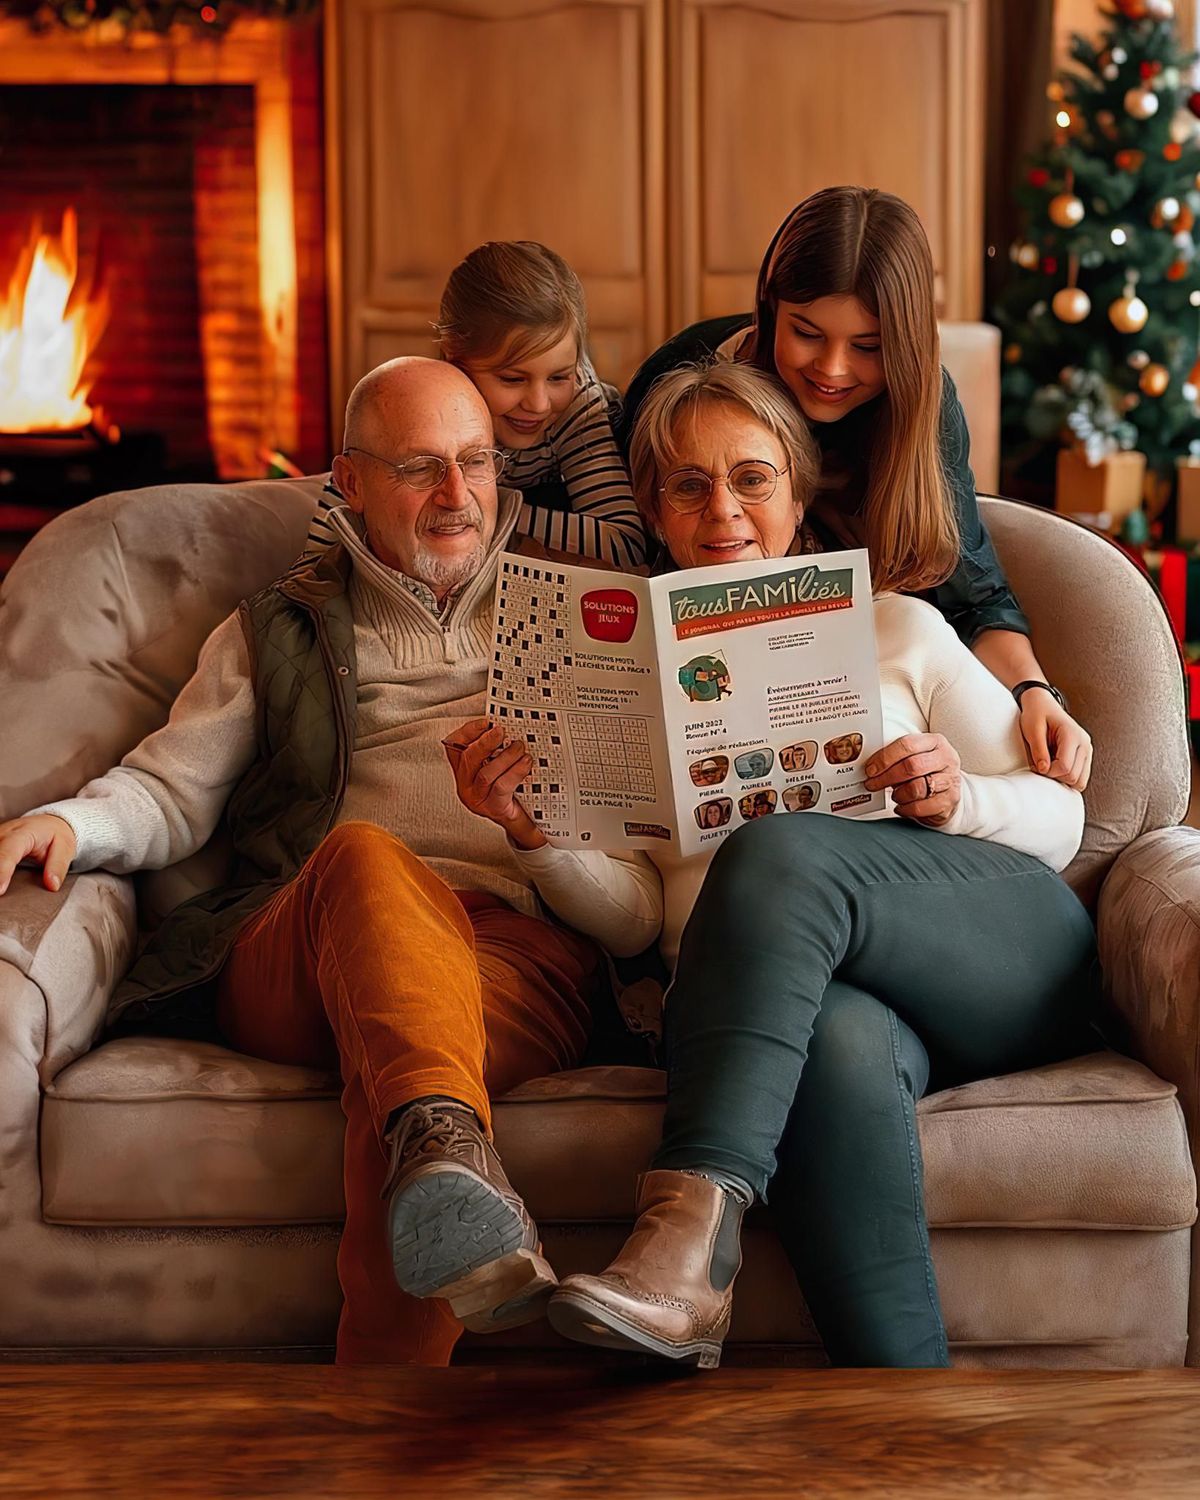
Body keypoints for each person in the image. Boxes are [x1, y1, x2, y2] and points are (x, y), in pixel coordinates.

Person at [0, 357, 658, 1367]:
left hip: (514, 965)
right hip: (308, 940)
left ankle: (436, 1165)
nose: (458, 496)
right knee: (364, 859)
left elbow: (635, 921)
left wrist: (539, 837)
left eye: (477, 463)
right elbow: (171, 788)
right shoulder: (279, 627)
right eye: (421, 467)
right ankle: (442, 1145)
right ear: (347, 481)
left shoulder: (585, 624)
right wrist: (73, 827)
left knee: (403, 1071)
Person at [447, 361, 1096, 1369]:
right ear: (655, 508)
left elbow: (1063, 820)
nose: (724, 510)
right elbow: (634, 922)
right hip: (814, 1004)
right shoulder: (623, 675)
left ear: (796, 494)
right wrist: (536, 832)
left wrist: (956, 795)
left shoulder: (900, 626)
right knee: (832, 1041)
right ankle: (902, 1415)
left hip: (994, 954)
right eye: (688, 484)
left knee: (777, 849)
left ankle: (684, 1246)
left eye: (751, 477)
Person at [616, 187, 1093, 790]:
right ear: (769, 307)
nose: (832, 369)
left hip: (842, 698)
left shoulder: (922, 413)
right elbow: (616, 545)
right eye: (807, 333)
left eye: (868, 347)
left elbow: (974, 595)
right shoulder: (683, 377)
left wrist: (1033, 690)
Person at [307, 241, 646, 567]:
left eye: (559, 377)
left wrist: (491, 507)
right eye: (513, 380)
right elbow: (316, 557)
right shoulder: (418, 405)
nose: (540, 404)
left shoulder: (577, 407)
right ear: (456, 363)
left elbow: (624, 543)